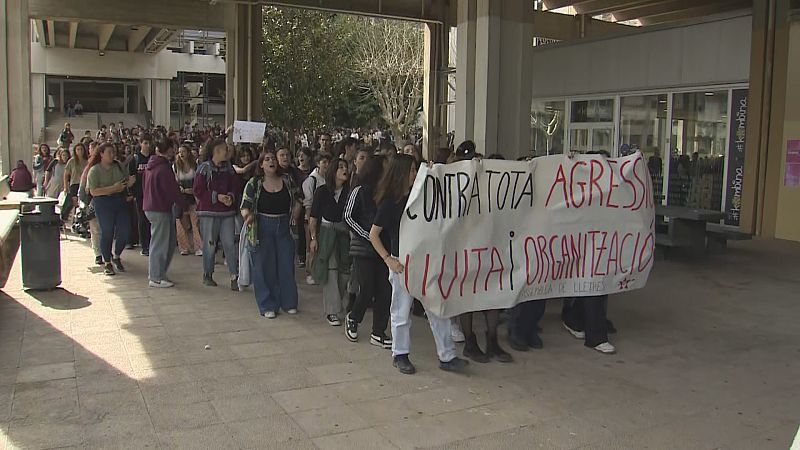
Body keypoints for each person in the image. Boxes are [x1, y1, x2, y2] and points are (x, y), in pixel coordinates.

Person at [369, 154, 469, 375]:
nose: (414, 174)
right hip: (402, 264)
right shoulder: (390, 203)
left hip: (425, 261)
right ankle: (400, 354)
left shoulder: (422, 196)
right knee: (401, 311)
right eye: (412, 170)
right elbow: (373, 235)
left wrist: (433, 173)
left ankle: (447, 355)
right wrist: (388, 259)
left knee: (437, 309)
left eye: (416, 170)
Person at [449, 141, 513, 363]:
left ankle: (493, 340)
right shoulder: (454, 182)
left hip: (491, 245)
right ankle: (470, 341)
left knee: (493, 294)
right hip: (465, 247)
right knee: (467, 295)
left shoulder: (491, 182)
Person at [240, 151, 299, 318]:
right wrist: (247, 216)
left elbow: (298, 198)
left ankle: (289, 302)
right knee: (264, 267)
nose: (271, 161)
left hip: (283, 225)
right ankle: (267, 305)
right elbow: (245, 205)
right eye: (267, 159)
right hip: (262, 226)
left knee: (286, 265)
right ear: (261, 164)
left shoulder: (287, 180)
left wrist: (297, 210)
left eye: (273, 159)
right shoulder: (254, 183)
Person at [344, 154, 392, 348]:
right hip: (364, 249)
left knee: (384, 290)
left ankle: (378, 331)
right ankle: (354, 317)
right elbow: (348, 217)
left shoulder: (388, 192)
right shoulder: (360, 190)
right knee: (367, 288)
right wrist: (368, 235)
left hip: (385, 249)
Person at [194, 138, 241, 290]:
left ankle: (234, 276)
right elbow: (198, 190)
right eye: (225, 149)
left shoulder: (229, 169)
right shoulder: (204, 168)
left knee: (229, 243)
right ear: (217, 151)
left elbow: (235, 186)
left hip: (227, 212)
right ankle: (207, 274)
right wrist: (217, 197)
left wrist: (231, 196)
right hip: (208, 212)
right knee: (210, 244)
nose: (227, 152)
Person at [309, 158, 351, 326]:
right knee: (331, 270)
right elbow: (313, 217)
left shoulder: (350, 192)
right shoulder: (322, 191)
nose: (344, 170)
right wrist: (313, 238)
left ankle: (340, 304)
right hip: (327, 231)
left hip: (345, 233)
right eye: (340, 167)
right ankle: (332, 310)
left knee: (345, 272)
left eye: (345, 167)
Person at [86, 143, 134, 276]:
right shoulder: (94, 170)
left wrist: (128, 183)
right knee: (107, 231)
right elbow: (94, 191)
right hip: (103, 202)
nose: (112, 155)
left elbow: (125, 181)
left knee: (125, 230)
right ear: (101, 154)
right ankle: (107, 261)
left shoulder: (118, 165)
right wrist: (113, 188)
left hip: (120, 200)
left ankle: (117, 255)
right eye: (109, 152)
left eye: (113, 152)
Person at [143, 140, 184, 288]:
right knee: (160, 243)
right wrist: (182, 204)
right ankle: (156, 276)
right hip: (160, 208)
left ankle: (159, 273)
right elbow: (172, 190)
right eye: (173, 149)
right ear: (168, 150)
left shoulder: (151, 166)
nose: (175, 151)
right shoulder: (164, 168)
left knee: (167, 242)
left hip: (152, 206)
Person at [301, 153, 331, 285]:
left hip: (324, 218)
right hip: (312, 217)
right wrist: (310, 221)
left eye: (328, 162)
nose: (326, 165)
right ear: (318, 163)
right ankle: (309, 272)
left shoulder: (328, 179)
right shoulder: (311, 180)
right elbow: (308, 204)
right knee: (311, 246)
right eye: (324, 162)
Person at [174, 145, 203, 256]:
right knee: (181, 223)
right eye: (179, 152)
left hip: (193, 197)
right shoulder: (175, 166)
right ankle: (184, 247)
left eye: (183, 151)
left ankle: (198, 246)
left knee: (195, 223)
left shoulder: (195, 166)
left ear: (188, 153)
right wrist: (179, 189)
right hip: (181, 197)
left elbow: (199, 180)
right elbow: (173, 181)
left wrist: (193, 190)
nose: (181, 154)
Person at [131, 134, 154, 256]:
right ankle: (144, 245)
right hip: (140, 193)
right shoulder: (135, 159)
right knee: (142, 218)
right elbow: (131, 177)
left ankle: (151, 243)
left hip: (151, 193)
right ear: (140, 144)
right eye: (145, 143)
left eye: (149, 143)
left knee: (151, 219)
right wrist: (132, 193)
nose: (147, 146)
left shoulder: (153, 158)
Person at [61, 142, 89, 221]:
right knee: (73, 201)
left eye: (81, 149)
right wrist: (65, 186)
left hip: (83, 184)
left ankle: (79, 219)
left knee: (82, 203)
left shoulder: (87, 162)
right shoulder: (71, 161)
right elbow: (66, 174)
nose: (80, 151)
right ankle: (66, 218)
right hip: (74, 183)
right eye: (78, 149)